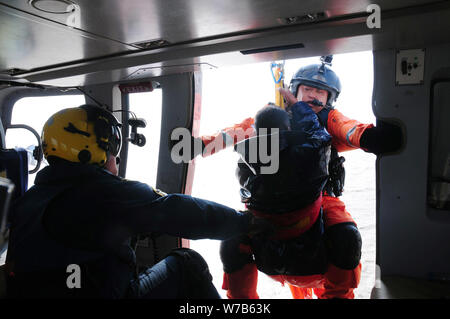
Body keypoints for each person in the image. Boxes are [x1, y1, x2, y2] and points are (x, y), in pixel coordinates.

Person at [180, 60, 402, 299]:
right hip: (265, 205)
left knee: (345, 234)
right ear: (295, 90)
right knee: (232, 236)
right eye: (308, 90)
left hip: (321, 198)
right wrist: (198, 146)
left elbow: (350, 130)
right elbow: (235, 132)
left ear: (329, 99)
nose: (313, 97)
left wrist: (371, 137)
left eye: (320, 92)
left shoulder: (329, 120)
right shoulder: (271, 120)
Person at [4, 104, 269, 299]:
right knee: (187, 263)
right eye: (111, 147)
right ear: (89, 150)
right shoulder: (104, 194)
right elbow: (180, 212)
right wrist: (245, 222)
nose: (115, 158)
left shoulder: (30, 200)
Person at [220, 104, 336, 299]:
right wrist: (300, 107)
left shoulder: (246, 161)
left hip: (269, 261)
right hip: (315, 264)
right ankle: (338, 295)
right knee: (345, 231)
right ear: (288, 128)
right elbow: (322, 138)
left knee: (232, 235)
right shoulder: (310, 155)